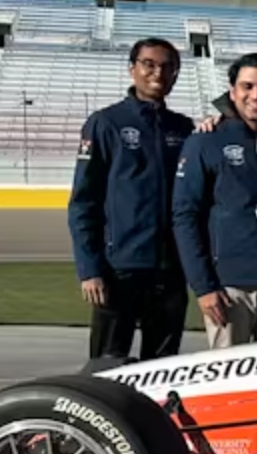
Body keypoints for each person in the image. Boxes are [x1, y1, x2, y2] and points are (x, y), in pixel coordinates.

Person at [67, 37, 195, 361]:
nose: (158, 73)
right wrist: (89, 269)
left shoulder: (184, 128)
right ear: (132, 70)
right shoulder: (105, 123)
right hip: (118, 270)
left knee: (163, 368)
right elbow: (84, 202)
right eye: (148, 65)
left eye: (168, 67)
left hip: (170, 271)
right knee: (106, 368)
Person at [172, 52, 257, 347]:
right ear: (232, 90)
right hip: (228, 289)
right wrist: (203, 287)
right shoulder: (205, 141)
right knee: (230, 385)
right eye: (247, 86)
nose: (256, 95)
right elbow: (184, 216)